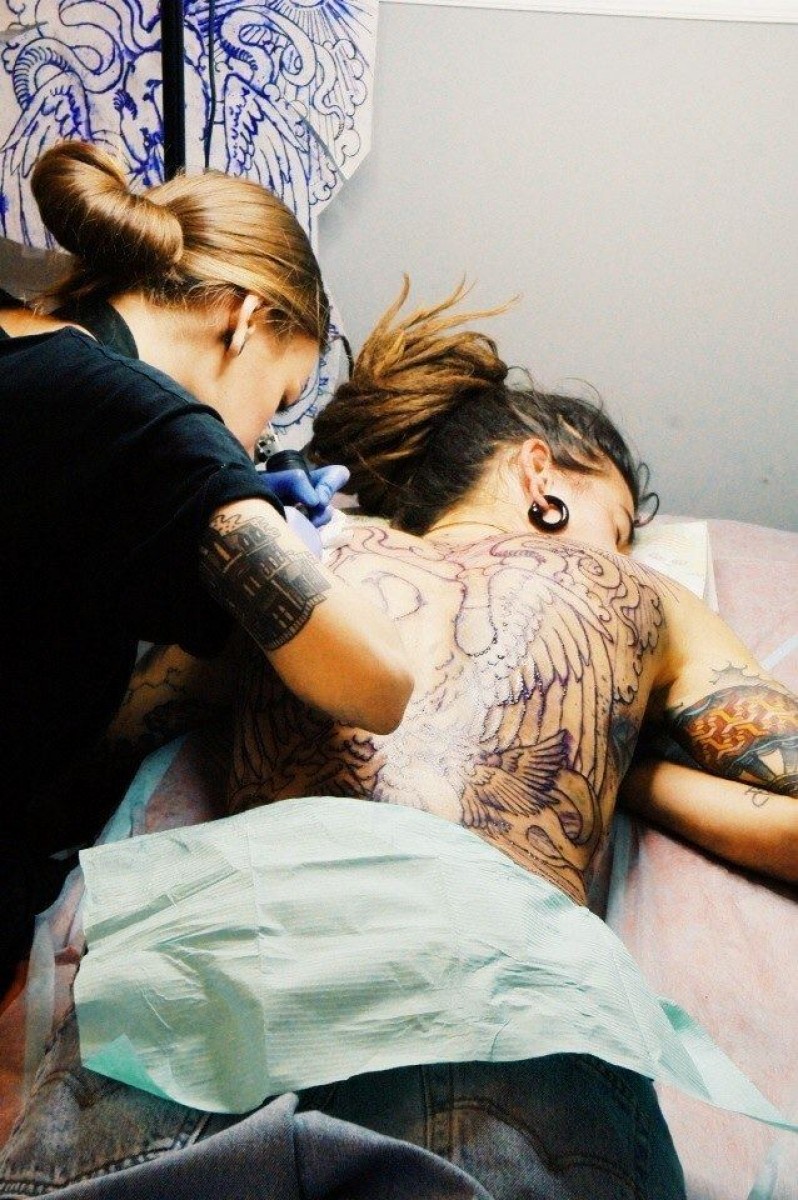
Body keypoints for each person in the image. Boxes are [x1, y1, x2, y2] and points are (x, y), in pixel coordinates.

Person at [218, 281, 798, 1197]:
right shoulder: (638, 594)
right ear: (541, 475)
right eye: (620, 526)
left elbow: (122, 725)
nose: (622, 553)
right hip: (485, 1011)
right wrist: (635, 773)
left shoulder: (297, 559)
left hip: (209, 984)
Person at [0, 141, 413, 994]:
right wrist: (244, 509)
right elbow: (378, 684)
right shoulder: (154, 429)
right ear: (246, 318)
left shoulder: (29, 341)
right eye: (281, 400)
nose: (260, 441)